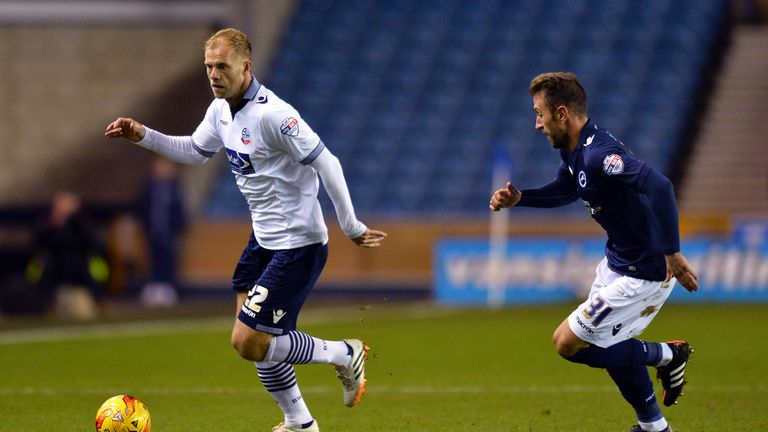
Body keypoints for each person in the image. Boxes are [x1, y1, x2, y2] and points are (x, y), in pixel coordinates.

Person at [105, 28, 387, 432]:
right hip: (262, 241)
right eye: (209, 66)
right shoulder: (220, 109)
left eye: (222, 66)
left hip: (297, 244)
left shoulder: (275, 115)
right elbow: (194, 152)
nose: (214, 74)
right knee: (259, 344)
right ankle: (299, 423)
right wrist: (142, 135)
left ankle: (344, 353)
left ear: (246, 67)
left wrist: (351, 225)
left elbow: (329, 163)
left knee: (246, 340)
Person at [489, 72, 699, 432]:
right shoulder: (575, 151)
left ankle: (667, 354)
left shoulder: (600, 154)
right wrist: (522, 198)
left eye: (539, 114)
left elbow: (660, 187)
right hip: (617, 262)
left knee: (567, 343)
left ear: (562, 114)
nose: (536, 124)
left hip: (643, 271)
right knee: (607, 341)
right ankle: (655, 427)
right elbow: (565, 190)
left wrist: (672, 253)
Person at [29, 191, 107, 320]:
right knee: (43, 268)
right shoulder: (47, 222)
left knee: (95, 268)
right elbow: (38, 243)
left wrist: (75, 222)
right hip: (55, 261)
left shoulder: (82, 222)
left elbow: (93, 243)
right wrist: (55, 224)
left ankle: (98, 301)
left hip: (80, 261)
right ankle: (46, 305)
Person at [137, 157, 186, 307]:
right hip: (152, 231)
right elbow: (141, 209)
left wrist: (179, 227)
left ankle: (167, 289)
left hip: (169, 232)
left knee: (168, 260)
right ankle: (153, 288)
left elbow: (180, 211)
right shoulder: (148, 188)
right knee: (153, 259)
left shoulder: (174, 189)